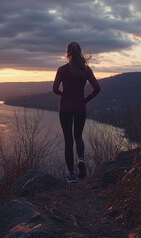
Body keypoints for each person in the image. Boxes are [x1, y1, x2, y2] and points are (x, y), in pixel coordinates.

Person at [53, 42, 101, 183]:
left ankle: (72, 175)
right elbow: (97, 88)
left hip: (65, 107)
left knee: (68, 140)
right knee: (78, 136)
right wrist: (85, 100)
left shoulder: (62, 70)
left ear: (67, 53)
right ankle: (81, 159)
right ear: (80, 52)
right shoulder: (86, 70)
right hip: (80, 107)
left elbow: (55, 89)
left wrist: (63, 94)